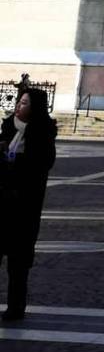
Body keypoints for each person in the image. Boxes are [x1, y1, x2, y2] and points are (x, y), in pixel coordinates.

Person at [0, 86, 57, 321]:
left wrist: (16, 164)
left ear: (35, 109)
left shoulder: (42, 136)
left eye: (24, 103)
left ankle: (15, 307)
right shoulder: (6, 129)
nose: (18, 106)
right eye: (18, 101)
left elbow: (41, 167)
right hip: (1, 205)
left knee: (18, 263)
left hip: (24, 209)